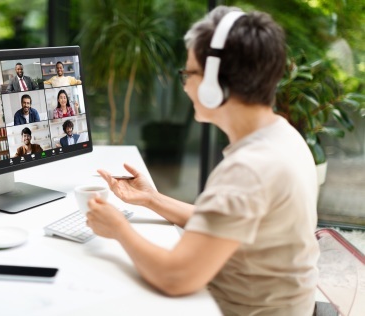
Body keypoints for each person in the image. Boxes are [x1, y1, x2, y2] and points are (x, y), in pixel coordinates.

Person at [86, 6, 319, 316]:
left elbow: (175, 277)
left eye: (189, 73)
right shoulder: (282, 135)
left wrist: (118, 229)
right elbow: (226, 220)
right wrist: (152, 199)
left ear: (215, 83)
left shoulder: (250, 168)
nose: (185, 85)